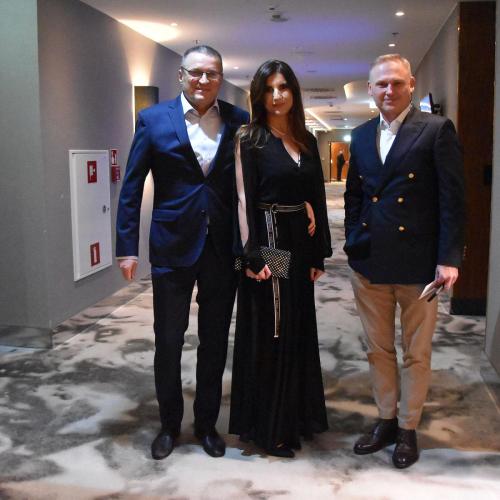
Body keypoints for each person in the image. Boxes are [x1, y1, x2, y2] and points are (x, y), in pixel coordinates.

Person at [116, 45, 249, 460]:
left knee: (214, 339)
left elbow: (251, 184)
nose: (203, 80)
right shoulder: (153, 119)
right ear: (181, 75)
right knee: (169, 339)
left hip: (222, 246)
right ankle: (169, 425)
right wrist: (126, 248)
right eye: (196, 73)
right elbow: (132, 187)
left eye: (212, 73)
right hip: (172, 244)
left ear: (221, 77)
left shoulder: (240, 120)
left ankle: (207, 424)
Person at [344, 54, 465, 469]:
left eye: (397, 83)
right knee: (378, 349)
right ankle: (385, 419)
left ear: (411, 84)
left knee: (416, 352)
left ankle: (408, 427)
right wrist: (353, 238)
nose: (389, 91)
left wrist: (448, 258)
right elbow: (355, 194)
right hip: (369, 261)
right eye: (381, 84)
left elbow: (452, 199)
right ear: (370, 89)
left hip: (419, 264)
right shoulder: (361, 135)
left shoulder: (435, 129)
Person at [229, 60, 332, 458]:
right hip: (269, 238)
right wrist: (251, 256)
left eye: (284, 87)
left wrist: (319, 250)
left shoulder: (305, 138)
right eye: (269, 89)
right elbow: (243, 199)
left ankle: (296, 417)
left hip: (299, 242)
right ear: (259, 95)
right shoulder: (250, 138)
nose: (277, 96)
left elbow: (315, 195)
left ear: (294, 92)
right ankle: (270, 427)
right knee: (273, 327)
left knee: (298, 325)